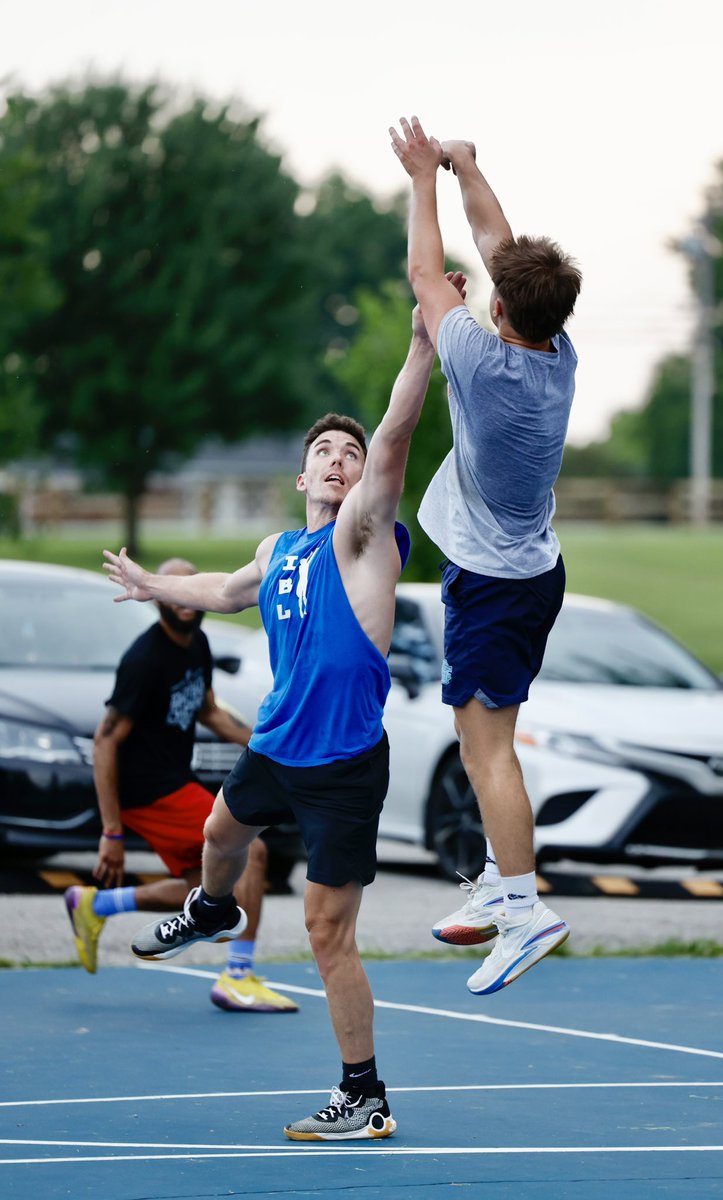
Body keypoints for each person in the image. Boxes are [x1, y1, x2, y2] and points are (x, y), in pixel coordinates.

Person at [102, 283, 465, 1142]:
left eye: (352, 450)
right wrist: (154, 583)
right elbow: (221, 590)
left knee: (325, 931)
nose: (342, 459)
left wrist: (420, 350)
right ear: (302, 476)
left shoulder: (364, 536)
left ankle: (363, 1093)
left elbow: (397, 444)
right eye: (327, 452)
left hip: (342, 763)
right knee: (221, 841)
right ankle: (214, 908)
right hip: (275, 747)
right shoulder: (279, 551)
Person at [390, 116, 582, 996]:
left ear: (497, 309)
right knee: (484, 740)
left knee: (485, 749)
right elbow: (497, 244)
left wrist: (424, 174)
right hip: (530, 572)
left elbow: (428, 275)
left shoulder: (476, 359)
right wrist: (470, 165)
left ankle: (523, 905)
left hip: (497, 584)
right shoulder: (555, 353)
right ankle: (503, 887)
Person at [64, 557, 297, 1015]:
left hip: (173, 780)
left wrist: (262, 739)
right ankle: (237, 976)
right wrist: (111, 833)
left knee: (206, 885)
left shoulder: (197, 644)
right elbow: (105, 740)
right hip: (147, 790)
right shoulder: (145, 658)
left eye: (192, 585)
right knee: (250, 854)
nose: (187, 598)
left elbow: (208, 709)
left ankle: (96, 905)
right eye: (176, 586)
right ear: (160, 595)